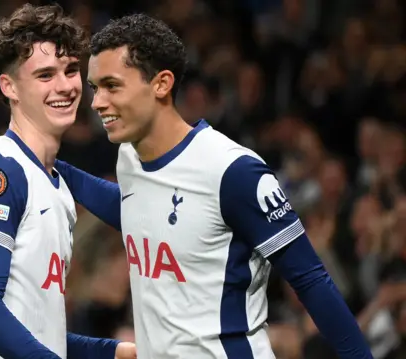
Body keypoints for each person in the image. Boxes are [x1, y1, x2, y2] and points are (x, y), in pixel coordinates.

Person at [55, 14, 373, 359]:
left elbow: (311, 281)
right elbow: (140, 211)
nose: (97, 102)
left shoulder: (233, 171)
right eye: (94, 87)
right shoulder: (129, 157)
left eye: (112, 85)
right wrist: (49, 165)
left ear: (161, 84)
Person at [0, 4, 136, 359]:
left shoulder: (54, 182)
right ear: (9, 86)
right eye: (45, 75)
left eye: (71, 70)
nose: (64, 86)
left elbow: (38, 334)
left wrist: (114, 352)